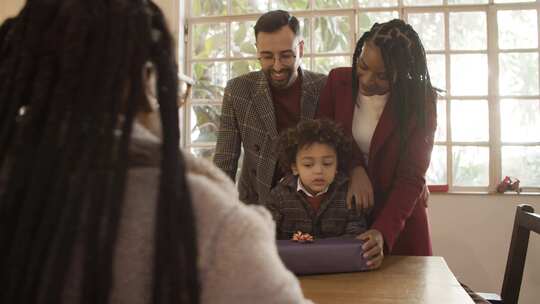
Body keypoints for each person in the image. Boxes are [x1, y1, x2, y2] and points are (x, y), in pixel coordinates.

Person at [0, 1, 312, 303]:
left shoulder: (15, 188)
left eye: (285, 55)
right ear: (148, 80)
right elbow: (226, 158)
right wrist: (232, 213)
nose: (276, 64)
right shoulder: (203, 219)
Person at [317, 19, 438, 257]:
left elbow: (411, 176)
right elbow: (322, 138)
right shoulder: (337, 82)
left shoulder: (420, 101)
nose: (367, 80)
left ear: (403, 73)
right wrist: (355, 169)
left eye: (382, 76)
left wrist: (382, 231)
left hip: (398, 225)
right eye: (363, 66)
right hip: (343, 219)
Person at [213, 10, 327, 206]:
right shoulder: (238, 90)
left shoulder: (324, 86)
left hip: (314, 208)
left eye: (285, 55)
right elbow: (225, 162)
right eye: (267, 56)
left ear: (300, 49)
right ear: (257, 50)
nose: (277, 66)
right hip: (258, 206)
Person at [266, 119, 384, 269]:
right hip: (293, 274)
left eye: (327, 163)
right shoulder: (279, 196)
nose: (318, 171)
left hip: (339, 272)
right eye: (308, 164)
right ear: (295, 167)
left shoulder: (348, 192)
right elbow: (267, 238)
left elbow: (355, 238)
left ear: (337, 165)